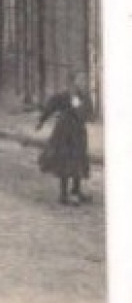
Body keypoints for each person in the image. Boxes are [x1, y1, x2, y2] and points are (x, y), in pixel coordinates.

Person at [36, 74, 93, 205]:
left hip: (78, 132)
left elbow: (88, 114)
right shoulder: (67, 95)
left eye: (85, 80)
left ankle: (76, 190)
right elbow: (51, 106)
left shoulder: (84, 96)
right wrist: (41, 120)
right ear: (74, 81)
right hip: (65, 133)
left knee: (78, 159)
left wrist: (83, 106)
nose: (83, 83)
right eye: (80, 80)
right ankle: (63, 195)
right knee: (65, 161)